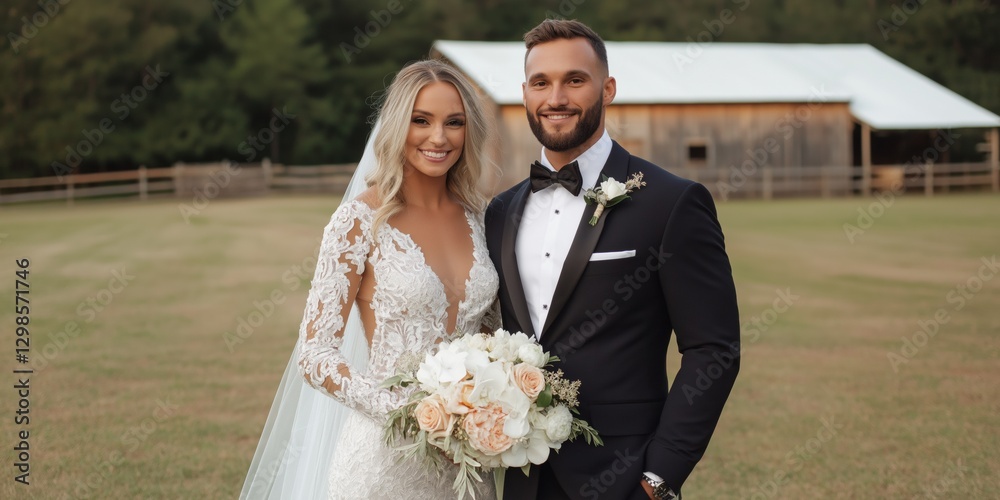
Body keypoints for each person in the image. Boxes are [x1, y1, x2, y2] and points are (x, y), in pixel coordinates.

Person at [484, 19, 741, 500]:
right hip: (521, 476)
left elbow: (714, 349)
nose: (555, 97)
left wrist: (659, 477)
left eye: (574, 80)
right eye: (541, 83)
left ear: (608, 88)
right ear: (524, 94)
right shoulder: (500, 212)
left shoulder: (672, 202)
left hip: (625, 475)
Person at [241, 59, 500, 499]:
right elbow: (316, 355)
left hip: (467, 463)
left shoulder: (479, 217)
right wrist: (413, 412)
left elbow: (489, 332)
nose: (439, 137)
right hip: (386, 460)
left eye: (453, 123)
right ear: (398, 124)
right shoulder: (359, 221)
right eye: (422, 121)